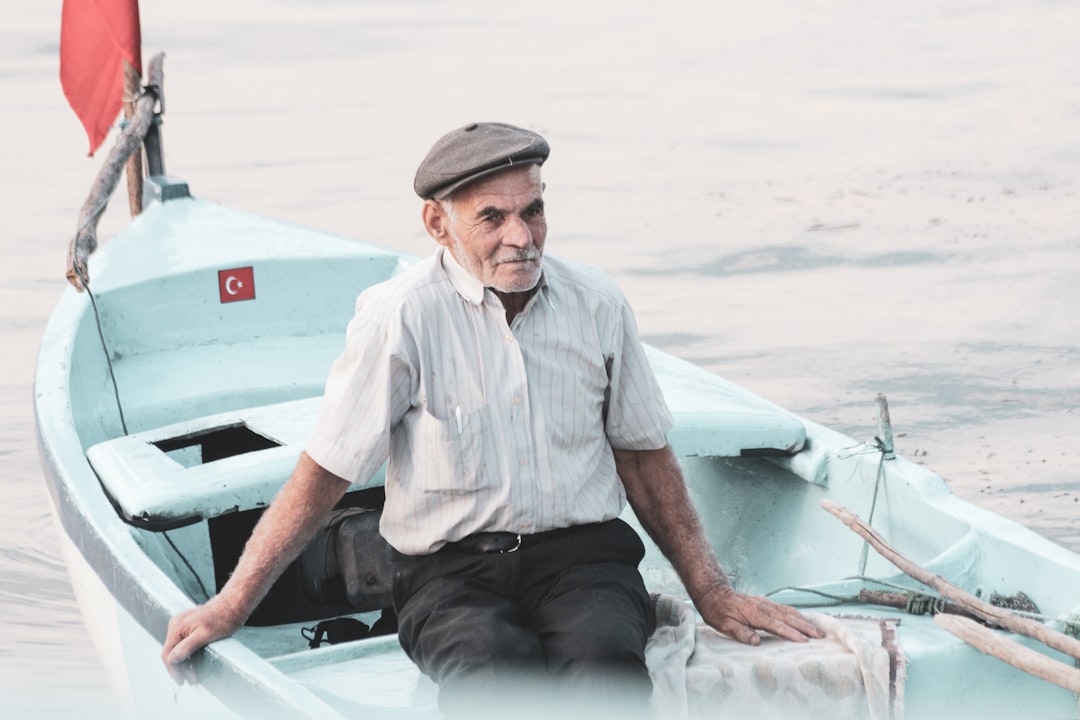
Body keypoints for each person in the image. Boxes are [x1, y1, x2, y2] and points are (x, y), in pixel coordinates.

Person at [161, 122, 823, 714]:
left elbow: (644, 458)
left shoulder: (597, 305)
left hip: (584, 562)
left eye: (533, 210)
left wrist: (711, 591)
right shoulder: (400, 317)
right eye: (492, 217)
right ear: (437, 224)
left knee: (605, 672)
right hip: (448, 576)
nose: (521, 237)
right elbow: (324, 475)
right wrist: (232, 604)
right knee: (496, 683)